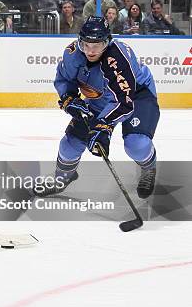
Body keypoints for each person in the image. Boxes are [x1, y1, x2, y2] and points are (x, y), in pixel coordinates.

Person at [43, 16, 159, 199]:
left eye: (96, 45)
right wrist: (69, 97)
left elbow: (123, 101)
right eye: (86, 44)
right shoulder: (73, 53)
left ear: (107, 42)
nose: (90, 51)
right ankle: (63, 177)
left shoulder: (118, 59)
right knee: (69, 145)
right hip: (100, 99)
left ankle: (148, 169)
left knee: (136, 144)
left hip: (136, 97)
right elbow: (64, 79)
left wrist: (103, 126)